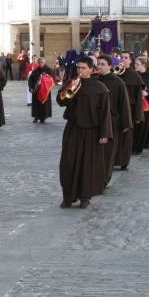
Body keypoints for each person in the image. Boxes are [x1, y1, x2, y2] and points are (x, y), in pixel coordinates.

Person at [57, 56, 112, 209]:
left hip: (91, 132)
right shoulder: (72, 83)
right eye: (78, 68)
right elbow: (61, 101)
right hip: (73, 129)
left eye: (83, 68)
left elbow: (105, 113)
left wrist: (104, 134)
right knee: (68, 163)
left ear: (91, 69)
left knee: (88, 165)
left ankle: (85, 197)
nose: (80, 71)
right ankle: (68, 196)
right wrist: (70, 88)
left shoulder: (100, 88)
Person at [97, 55, 132, 187]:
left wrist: (125, 123)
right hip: (96, 120)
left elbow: (124, 104)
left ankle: (105, 179)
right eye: (98, 64)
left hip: (112, 120)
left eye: (103, 64)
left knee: (108, 151)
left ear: (110, 66)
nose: (99, 67)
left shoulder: (118, 82)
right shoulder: (94, 80)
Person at [113, 51, 144, 170]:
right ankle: (113, 159)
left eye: (126, 58)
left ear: (131, 61)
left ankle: (123, 161)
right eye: (121, 57)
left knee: (126, 137)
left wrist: (138, 115)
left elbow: (138, 98)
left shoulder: (135, 76)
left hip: (129, 109)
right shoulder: (115, 74)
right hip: (116, 109)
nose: (123, 59)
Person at [132, 56, 149, 155]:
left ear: (144, 65)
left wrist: (147, 93)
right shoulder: (134, 75)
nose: (135, 66)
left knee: (141, 127)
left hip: (144, 105)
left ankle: (138, 147)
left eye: (137, 64)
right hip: (135, 104)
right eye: (135, 64)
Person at [27, 57, 53, 124]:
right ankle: (36, 116)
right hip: (36, 90)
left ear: (44, 62)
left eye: (42, 62)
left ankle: (43, 117)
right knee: (36, 104)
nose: (40, 64)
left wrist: (48, 76)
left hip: (45, 91)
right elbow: (30, 80)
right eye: (39, 62)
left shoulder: (49, 70)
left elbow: (52, 79)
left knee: (44, 104)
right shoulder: (36, 71)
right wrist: (31, 87)